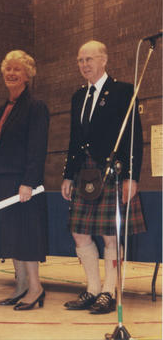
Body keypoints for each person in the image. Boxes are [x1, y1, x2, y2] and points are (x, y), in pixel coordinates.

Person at [61, 40, 146, 314]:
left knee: (110, 235)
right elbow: (74, 139)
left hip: (112, 172)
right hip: (84, 172)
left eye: (89, 59)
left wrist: (131, 177)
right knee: (79, 232)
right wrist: (68, 175)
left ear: (104, 60)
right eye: (80, 60)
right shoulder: (78, 96)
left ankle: (109, 293)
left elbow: (135, 136)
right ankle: (92, 289)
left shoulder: (122, 91)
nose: (84, 65)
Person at [0, 50, 49, 311]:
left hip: (23, 184)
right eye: (7, 69)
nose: (11, 73)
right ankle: (21, 285)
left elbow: (37, 148)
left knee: (27, 236)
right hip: (3, 180)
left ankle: (36, 288)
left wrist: (29, 182)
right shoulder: (3, 109)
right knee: (12, 235)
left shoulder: (36, 107)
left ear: (28, 75)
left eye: (17, 69)